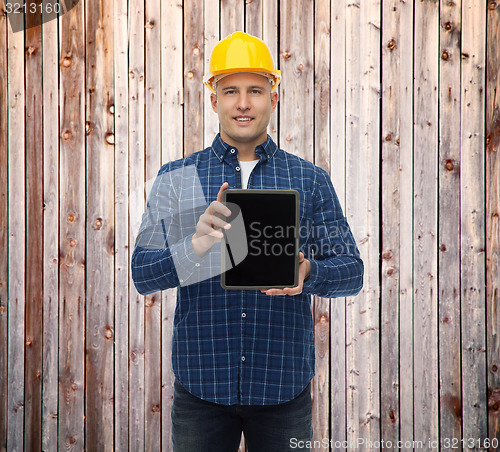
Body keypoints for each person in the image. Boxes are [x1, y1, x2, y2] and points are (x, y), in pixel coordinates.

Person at [131, 31, 363, 452]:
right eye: (230, 90)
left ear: (273, 97)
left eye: (255, 90)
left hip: (282, 390)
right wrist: (195, 246)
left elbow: (352, 272)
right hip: (201, 388)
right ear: (214, 99)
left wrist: (309, 273)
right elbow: (142, 273)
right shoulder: (177, 178)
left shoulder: (308, 180)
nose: (243, 103)